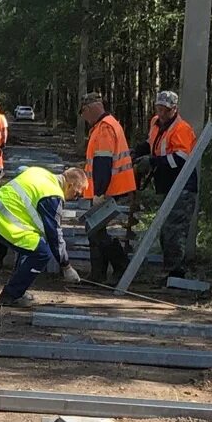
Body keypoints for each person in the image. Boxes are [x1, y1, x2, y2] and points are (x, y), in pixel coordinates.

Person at [0, 167, 87, 307]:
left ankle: (16, 289)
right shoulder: (53, 196)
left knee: (32, 244)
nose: (75, 198)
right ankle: (12, 294)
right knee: (42, 253)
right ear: (70, 185)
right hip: (2, 220)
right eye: (76, 194)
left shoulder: (41, 173)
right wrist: (66, 266)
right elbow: (54, 234)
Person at [131, 90, 198, 279]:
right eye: (159, 109)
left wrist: (152, 162)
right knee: (166, 229)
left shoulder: (182, 129)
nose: (161, 113)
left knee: (173, 229)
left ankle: (176, 273)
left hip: (182, 185)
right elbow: (151, 142)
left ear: (174, 109)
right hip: (167, 185)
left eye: (165, 110)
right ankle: (170, 270)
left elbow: (181, 159)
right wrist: (138, 151)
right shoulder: (156, 123)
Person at [79, 92, 137, 283]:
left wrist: (99, 193)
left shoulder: (104, 128)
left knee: (97, 232)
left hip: (108, 189)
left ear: (90, 109)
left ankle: (121, 267)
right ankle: (99, 274)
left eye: (83, 113)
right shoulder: (107, 125)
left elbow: (103, 162)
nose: (84, 118)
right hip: (111, 187)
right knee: (96, 232)